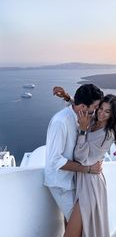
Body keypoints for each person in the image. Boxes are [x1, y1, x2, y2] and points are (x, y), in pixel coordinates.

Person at [54, 88, 116, 237]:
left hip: (90, 185)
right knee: (75, 230)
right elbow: (84, 106)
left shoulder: (107, 135)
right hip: (78, 179)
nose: (101, 113)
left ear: (113, 115)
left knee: (72, 233)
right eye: (100, 108)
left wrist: (82, 131)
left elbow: (82, 158)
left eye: (107, 112)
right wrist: (68, 97)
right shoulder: (92, 120)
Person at [44, 84, 104, 224]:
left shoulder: (82, 113)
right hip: (60, 183)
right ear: (83, 107)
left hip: (74, 179)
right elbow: (54, 160)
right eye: (95, 107)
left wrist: (67, 97)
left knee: (70, 223)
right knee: (78, 226)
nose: (97, 110)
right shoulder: (60, 122)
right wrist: (88, 169)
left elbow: (78, 104)